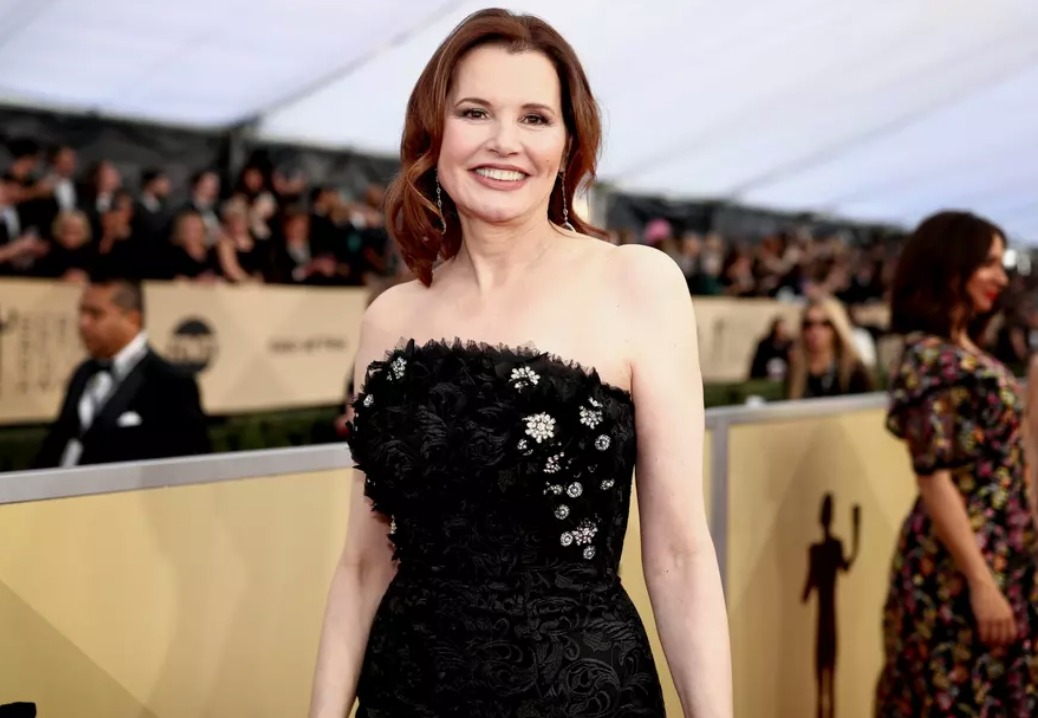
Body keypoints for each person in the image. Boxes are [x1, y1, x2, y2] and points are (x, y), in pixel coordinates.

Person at [308, 9, 732, 718]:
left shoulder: (637, 283)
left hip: (581, 697)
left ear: (568, 147)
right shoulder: (389, 319)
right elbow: (362, 564)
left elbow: (680, 555)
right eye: (475, 112)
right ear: (434, 133)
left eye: (535, 118)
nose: (504, 141)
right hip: (407, 696)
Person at [875, 210, 1038, 715]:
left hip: (1005, 557)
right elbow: (934, 479)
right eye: (988, 263)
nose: (1001, 278)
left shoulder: (963, 348)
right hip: (956, 571)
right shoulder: (929, 359)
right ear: (951, 267)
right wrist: (981, 583)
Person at [33, 271, 211, 468]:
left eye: (95, 314)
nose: (83, 324)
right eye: (81, 313)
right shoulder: (83, 372)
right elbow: (55, 446)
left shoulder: (172, 383)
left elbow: (191, 465)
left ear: (132, 319)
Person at [786, 296, 873, 400]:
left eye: (825, 324)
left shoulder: (854, 372)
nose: (815, 331)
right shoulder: (796, 372)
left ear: (837, 328)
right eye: (808, 324)